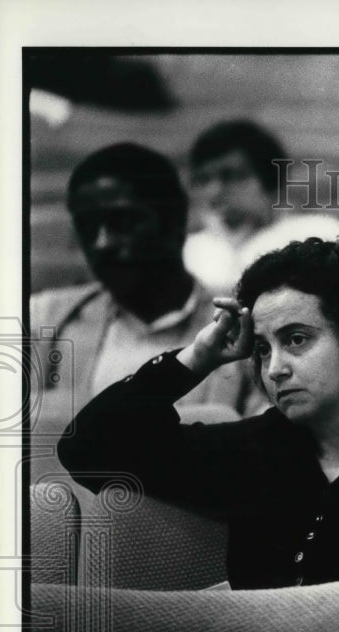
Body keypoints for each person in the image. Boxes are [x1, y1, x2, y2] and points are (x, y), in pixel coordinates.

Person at [57, 239, 339, 616]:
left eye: (296, 340)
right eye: (260, 348)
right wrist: (197, 358)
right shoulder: (258, 447)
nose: (275, 368)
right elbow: (89, 449)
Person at [30, 142, 258, 424]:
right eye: (87, 228)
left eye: (124, 222)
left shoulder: (241, 327)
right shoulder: (44, 320)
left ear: (175, 220)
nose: (102, 244)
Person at [184, 120, 339, 294]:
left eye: (230, 176)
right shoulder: (190, 250)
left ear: (270, 181)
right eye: (203, 179)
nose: (214, 191)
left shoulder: (316, 234)